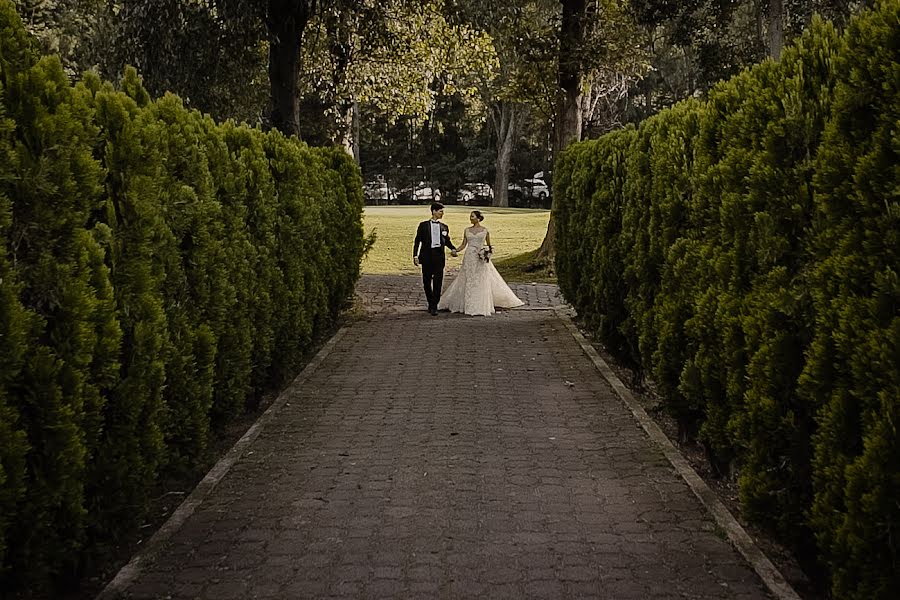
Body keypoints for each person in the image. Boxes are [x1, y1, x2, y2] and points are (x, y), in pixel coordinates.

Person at [438, 210, 524, 316]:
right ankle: (466, 302)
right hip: (469, 256)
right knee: (468, 277)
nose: (471, 218)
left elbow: (489, 245)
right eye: (470, 216)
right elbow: (463, 244)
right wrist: (455, 250)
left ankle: (479, 303)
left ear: (478, 218)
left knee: (480, 278)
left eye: (473, 216)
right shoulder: (467, 230)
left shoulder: (485, 231)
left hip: (480, 257)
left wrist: (486, 253)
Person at [413, 202, 458, 315]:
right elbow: (417, 241)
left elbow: (447, 241)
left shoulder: (444, 227)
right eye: (440, 211)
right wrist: (415, 255)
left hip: (439, 257)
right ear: (433, 211)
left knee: (438, 282)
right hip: (427, 256)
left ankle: (434, 305)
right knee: (426, 281)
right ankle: (430, 302)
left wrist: (453, 248)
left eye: (442, 211)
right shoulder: (423, 225)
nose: (442, 214)